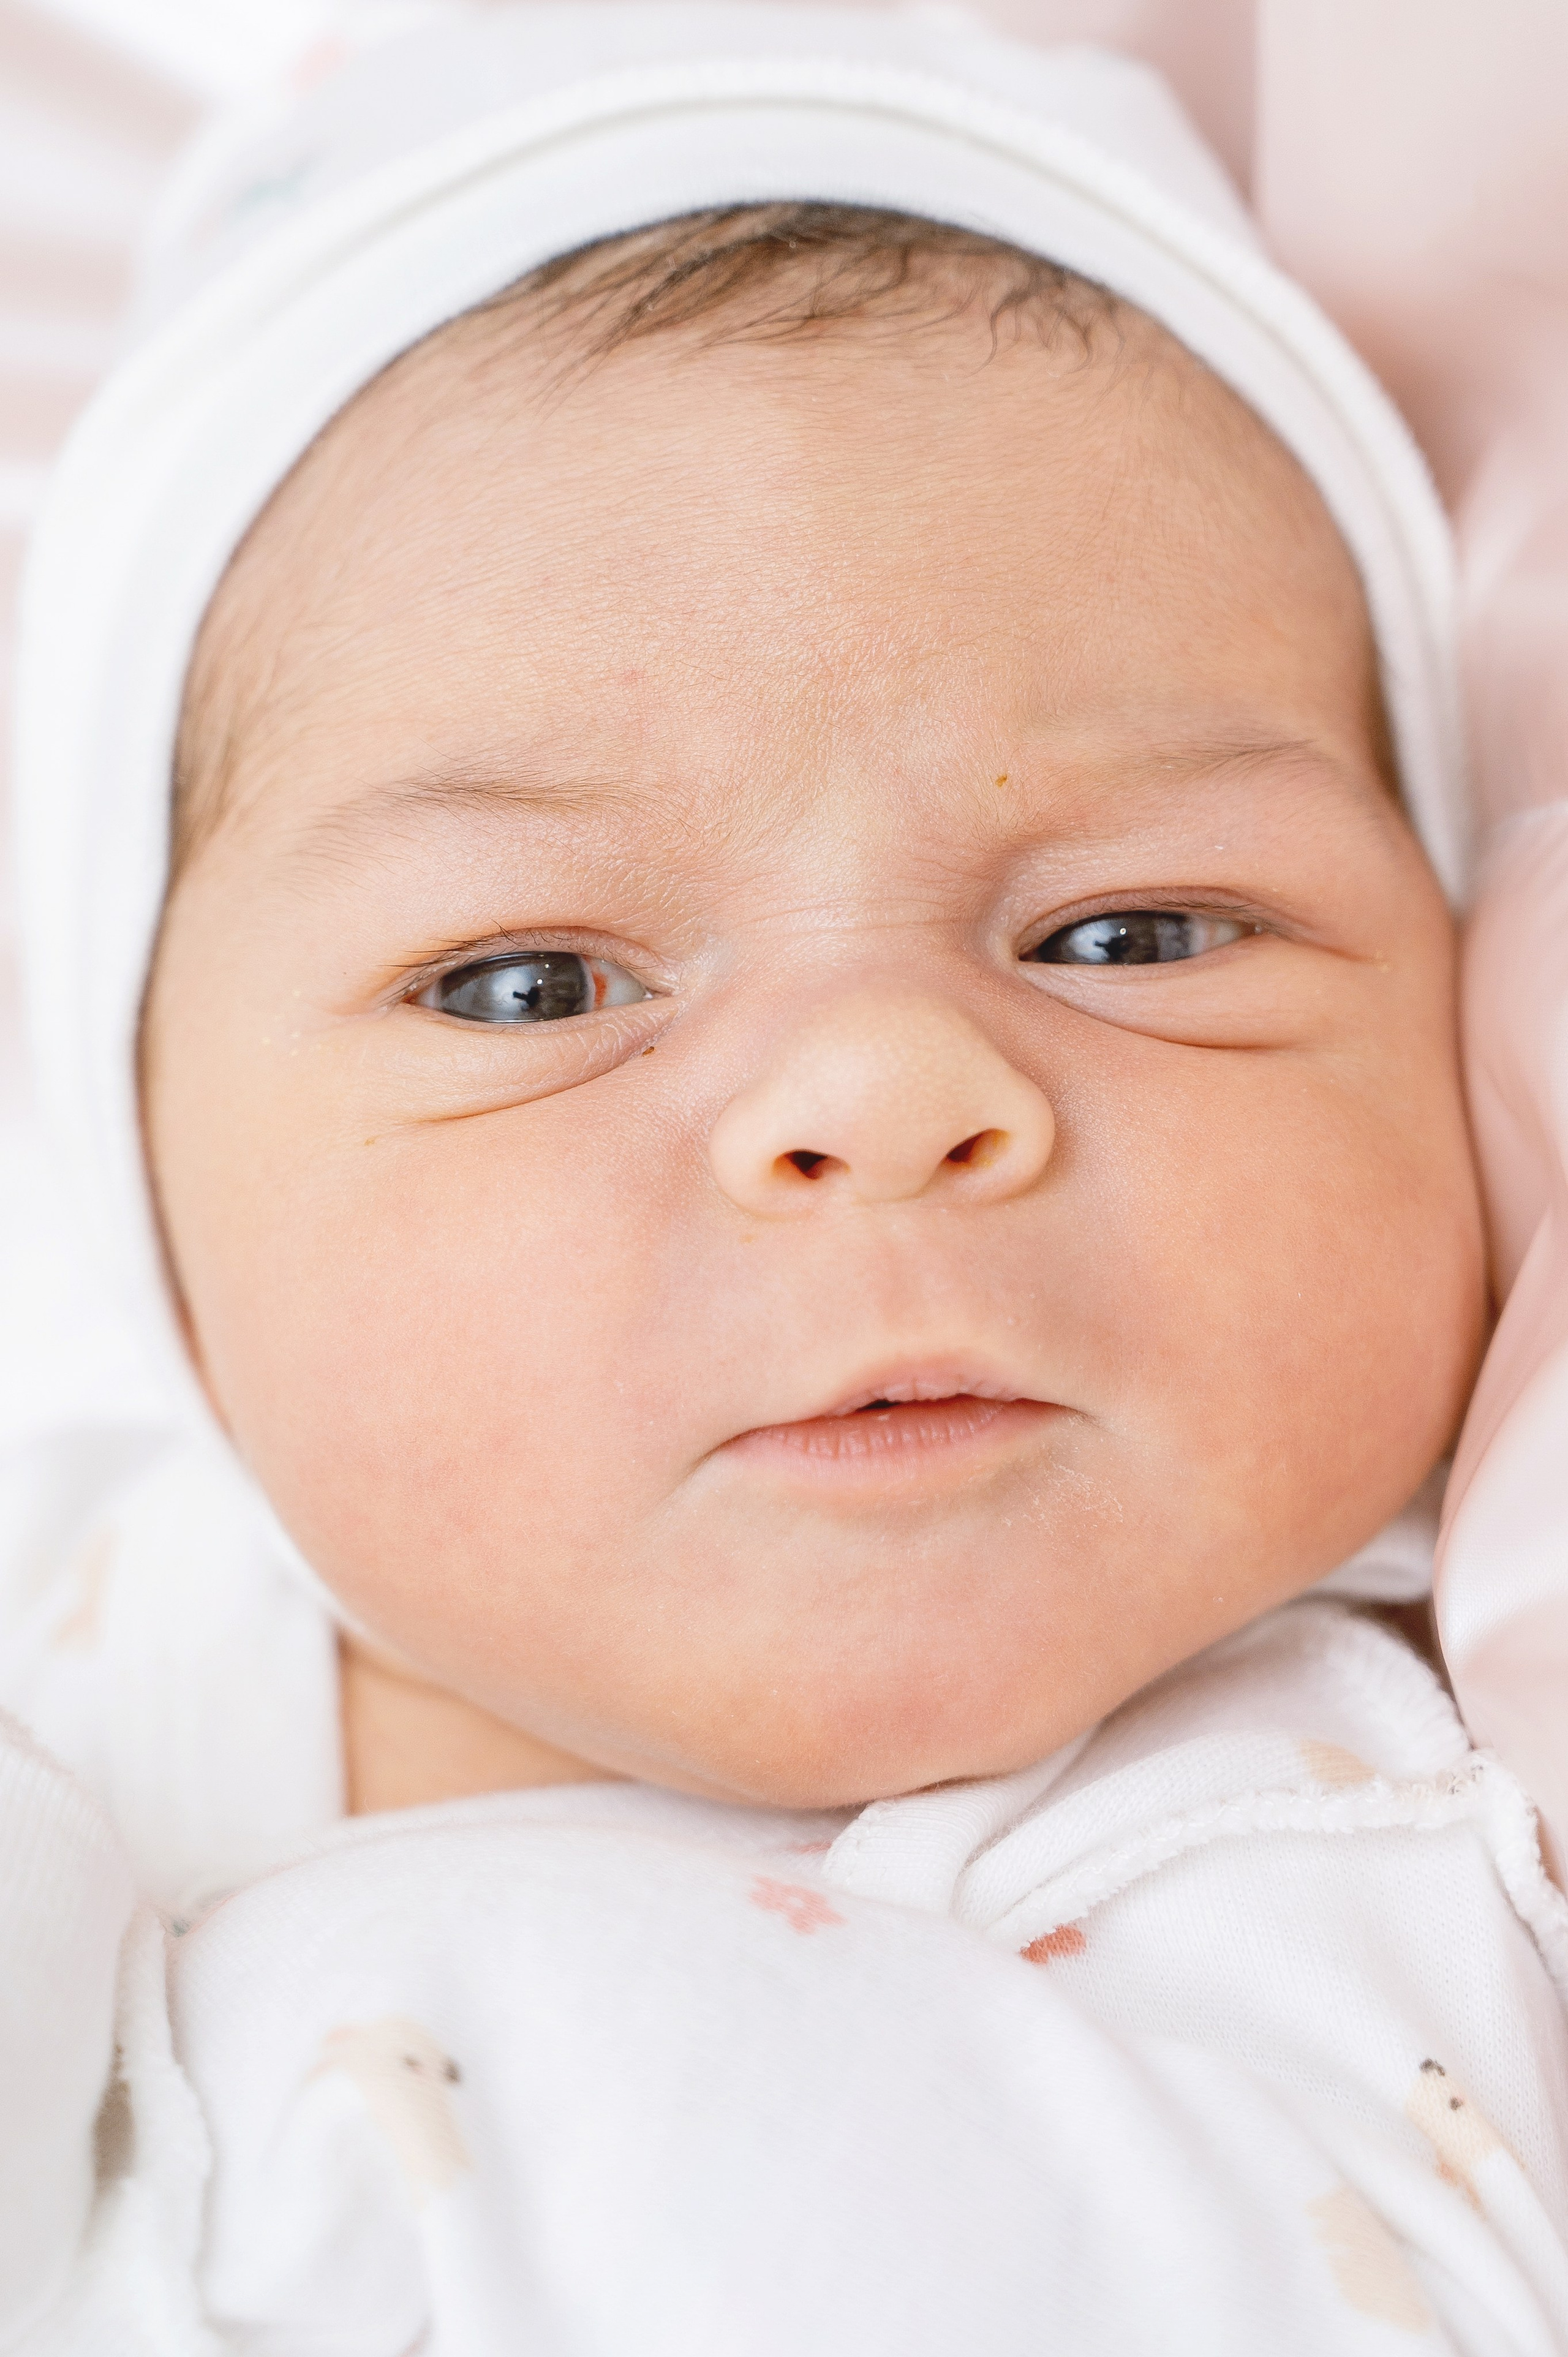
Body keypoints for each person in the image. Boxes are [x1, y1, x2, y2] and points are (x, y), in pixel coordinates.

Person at [3, 9, 1566, 2350]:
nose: (882, 1089)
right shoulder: (82, 1751)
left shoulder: (1497, 1814)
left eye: (1131, 935)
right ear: (124, 1169)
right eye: (529, 987)